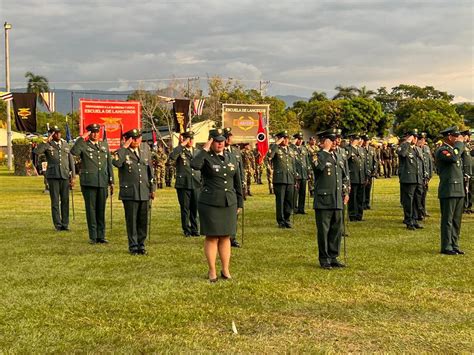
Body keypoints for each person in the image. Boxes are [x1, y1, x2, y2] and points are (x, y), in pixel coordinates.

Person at [190, 129, 243, 282]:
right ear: (211, 141)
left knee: (226, 236)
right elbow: (194, 165)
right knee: (212, 237)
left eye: (222, 140)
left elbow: (237, 181)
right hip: (210, 202)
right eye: (216, 140)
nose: (220, 143)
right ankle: (212, 270)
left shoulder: (232, 156)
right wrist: (204, 149)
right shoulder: (205, 156)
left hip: (228, 202)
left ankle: (225, 269)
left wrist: (239, 202)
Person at [112, 128, 155, 255]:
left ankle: (141, 245)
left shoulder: (145, 150)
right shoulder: (122, 152)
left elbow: (149, 170)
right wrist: (124, 147)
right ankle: (133, 246)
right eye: (133, 138)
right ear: (128, 139)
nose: (136, 141)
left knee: (143, 220)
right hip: (130, 192)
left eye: (138, 138)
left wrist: (152, 189)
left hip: (144, 191)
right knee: (132, 220)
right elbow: (117, 163)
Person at [70, 123, 114, 244]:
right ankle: (93, 236)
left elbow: (108, 164)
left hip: (102, 181)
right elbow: (73, 151)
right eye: (92, 132)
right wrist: (81, 138)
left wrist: (112, 181)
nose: (95, 134)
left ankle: (101, 235)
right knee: (91, 209)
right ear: (89, 133)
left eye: (97, 132)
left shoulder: (104, 145)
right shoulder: (84, 145)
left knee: (101, 209)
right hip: (89, 182)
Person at [312, 129, 350, 269]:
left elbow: (344, 176)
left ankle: (333, 256)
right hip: (324, 200)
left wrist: (346, 192)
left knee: (336, 229)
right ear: (324, 142)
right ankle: (324, 258)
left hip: (337, 199)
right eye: (331, 140)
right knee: (324, 230)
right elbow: (318, 168)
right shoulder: (317, 155)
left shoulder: (338, 156)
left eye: (335, 140)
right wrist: (326, 151)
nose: (335, 143)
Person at [33, 125, 75, 231]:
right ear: (51, 134)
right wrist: (46, 141)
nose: (58, 134)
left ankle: (65, 224)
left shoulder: (65, 144)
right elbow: (36, 152)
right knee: (55, 201)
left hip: (65, 175)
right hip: (53, 176)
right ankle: (58, 224)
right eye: (55, 133)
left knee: (65, 201)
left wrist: (73, 176)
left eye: (59, 132)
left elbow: (71, 161)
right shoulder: (48, 145)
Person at [435, 126, 466, 255]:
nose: (458, 138)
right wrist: (459, 144)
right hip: (449, 189)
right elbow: (453, 157)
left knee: (456, 220)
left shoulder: (454, 150)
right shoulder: (442, 150)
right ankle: (446, 246)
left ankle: (454, 244)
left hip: (458, 188)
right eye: (456, 136)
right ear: (449, 136)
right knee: (448, 219)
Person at [169, 131, 201, 237]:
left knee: (195, 207)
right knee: (185, 207)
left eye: (192, 139)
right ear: (184, 139)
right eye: (188, 139)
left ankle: (195, 229)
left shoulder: (197, 151)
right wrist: (181, 145)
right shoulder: (179, 151)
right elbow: (172, 158)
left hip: (196, 183)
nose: (190, 141)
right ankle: (186, 229)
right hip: (183, 183)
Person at [267, 130, 297, 228]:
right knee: (280, 200)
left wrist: (295, 178)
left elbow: (293, 165)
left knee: (289, 200)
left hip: (290, 178)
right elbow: (269, 156)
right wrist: (276, 144)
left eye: (287, 138)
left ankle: (287, 219)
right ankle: (281, 221)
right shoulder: (276, 148)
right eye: (284, 138)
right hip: (280, 179)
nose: (286, 140)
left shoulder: (291, 150)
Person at [397, 130, 425, 230]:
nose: (415, 139)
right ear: (409, 137)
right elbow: (402, 154)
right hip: (408, 179)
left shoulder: (417, 149)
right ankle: (408, 220)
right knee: (408, 201)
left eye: (416, 137)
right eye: (413, 136)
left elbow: (420, 164)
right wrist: (407, 142)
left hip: (417, 179)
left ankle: (415, 219)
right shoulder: (404, 146)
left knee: (417, 201)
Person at [224, 127, 244, 248]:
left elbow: (240, 169)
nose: (230, 139)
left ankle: (232, 237)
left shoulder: (236, 151)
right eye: (228, 136)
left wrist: (242, 184)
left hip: (234, 187)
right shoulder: (219, 151)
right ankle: (224, 236)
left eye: (230, 136)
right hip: (224, 187)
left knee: (234, 213)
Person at [345, 133, 366, 221]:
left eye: (359, 139)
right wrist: (352, 146)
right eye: (356, 139)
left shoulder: (361, 149)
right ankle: (352, 215)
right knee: (353, 198)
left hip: (361, 177)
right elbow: (345, 159)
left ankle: (359, 215)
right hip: (353, 177)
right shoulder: (347, 149)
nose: (358, 141)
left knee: (360, 198)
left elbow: (363, 163)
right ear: (352, 139)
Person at [291, 132, 311, 214]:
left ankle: (301, 209)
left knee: (303, 192)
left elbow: (307, 161)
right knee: (295, 192)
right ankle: (294, 208)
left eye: (301, 139)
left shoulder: (304, 149)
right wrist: (293, 143)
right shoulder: (292, 148)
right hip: (296, 173)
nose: (300, 140)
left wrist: (309, 172)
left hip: (303, 173)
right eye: (298, 139)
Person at [417, 132, 434, 219]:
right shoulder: (416, 149)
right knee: (418, 195)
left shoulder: (427, 148)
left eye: (423, 139)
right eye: (420, 139)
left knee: (424, 194)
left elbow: (430, 161)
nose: (422, 141)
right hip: (419, 176)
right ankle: (419, 212)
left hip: (426, 175)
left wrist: (430, 174)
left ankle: (423, 209)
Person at [361, 135, 377, 210]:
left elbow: (375, 161)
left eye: (367, 140)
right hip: (363, 172)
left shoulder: (372, 149)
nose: (366, 142)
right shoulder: (360, 149)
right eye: (365, 140)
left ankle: (367, 202)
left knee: (368, 188)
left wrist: (375, 171)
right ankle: (363, 203)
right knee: (363, 188)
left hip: (370, 172)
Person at [460, 129, 473, 214]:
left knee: (470, 190)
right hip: (464, 171)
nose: (469, 137)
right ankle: (464, 207)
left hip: (470, 171)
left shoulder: (467, 146)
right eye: (467, 136)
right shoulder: (461, 146)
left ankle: (469, 206)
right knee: (465, 190)